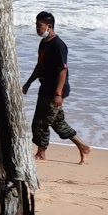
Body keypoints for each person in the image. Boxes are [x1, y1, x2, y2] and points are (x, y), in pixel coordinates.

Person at [24, 11, 90, 163]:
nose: (37, 28)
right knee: (57, 122)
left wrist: (59, 93)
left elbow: (63, 70)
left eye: (39, 25)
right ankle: (83, 147)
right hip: (45, 87)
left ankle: (41, 154)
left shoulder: (58, 45)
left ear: (49, 26)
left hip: (56, 90)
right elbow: (39, 66)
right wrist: (28, 83)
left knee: (42, 122)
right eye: (36, 25)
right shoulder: (44, 43)